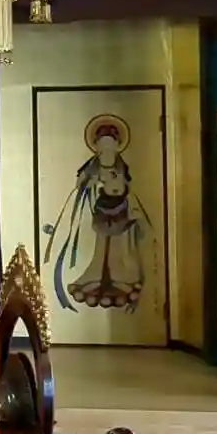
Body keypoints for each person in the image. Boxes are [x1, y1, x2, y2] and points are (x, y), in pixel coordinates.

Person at [43, 117, 153, 311]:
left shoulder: (121, 166)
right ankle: (93, 278)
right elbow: (81, 181)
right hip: (96, 208)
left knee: (119, 247)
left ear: (117, 146)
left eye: (110, 146)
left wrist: (119, 186)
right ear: (97, 147)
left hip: (120, 210)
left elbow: (128, 184)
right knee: (98, 246)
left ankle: (121, 279)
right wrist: (93, 182)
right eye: (103, 146)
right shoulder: (93, 165)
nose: (107, 150)